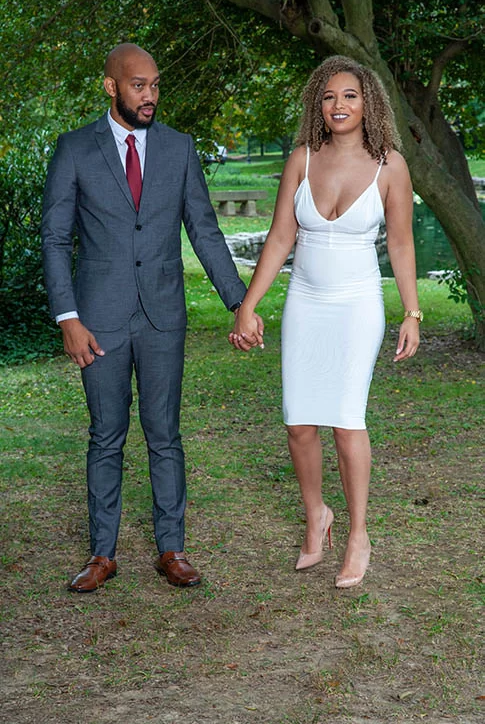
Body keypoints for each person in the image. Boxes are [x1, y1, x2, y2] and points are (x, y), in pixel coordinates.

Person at [42, 43, 259, 592]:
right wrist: (68, 317)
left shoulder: (179, 148)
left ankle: (172, 549)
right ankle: (102, 554)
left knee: (165, 434)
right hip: (98, 319)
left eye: (156, 85)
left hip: (163, 316)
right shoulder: (74, 149)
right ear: (111, 86)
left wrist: (240, 302)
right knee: (106, 435)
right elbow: (55, 239)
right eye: (139, 85)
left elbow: (204, 230)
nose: (150, 95)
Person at [229, 56, 421, 588]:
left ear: (368, 104)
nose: (339, 105)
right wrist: (248, 304)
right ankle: (317, 514)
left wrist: (411, 312)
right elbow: (280, 238)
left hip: (357, 305)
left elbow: (402, 244)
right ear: (319, 104)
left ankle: (358, 535)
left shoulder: (390, 166)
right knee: (298, 422)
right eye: (329, 96)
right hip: (305, 301)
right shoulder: (302, 160)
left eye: (350, 96)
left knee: (346, 420)